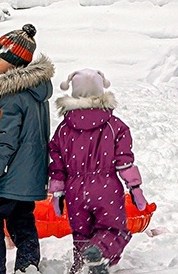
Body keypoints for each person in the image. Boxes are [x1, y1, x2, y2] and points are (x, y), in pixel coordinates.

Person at [48, 69, 148, 274]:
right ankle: (99, 253)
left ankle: (80, 266)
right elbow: (124, 162)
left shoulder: (63, 129)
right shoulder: (115, 126)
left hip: (75, 191)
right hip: (106, 188)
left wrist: (57, 191)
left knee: (81, 232)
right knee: (114, 229)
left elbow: (57, 163)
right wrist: (135, 187)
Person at [0, 24, 54, 274]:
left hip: (10, 176)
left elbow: (5, 139)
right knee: (22, 221)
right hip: (31, 176)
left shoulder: (11, 95)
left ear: (12, 61)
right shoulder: (36, 92)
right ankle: (28, 266)